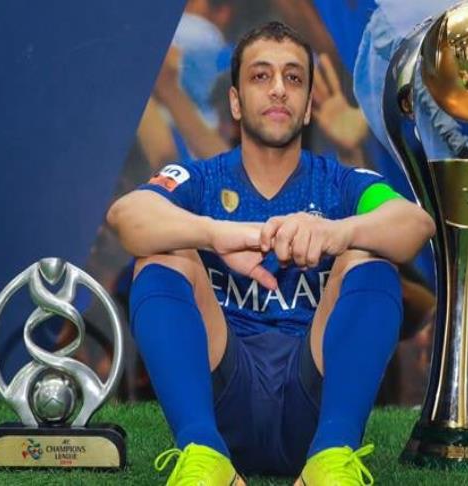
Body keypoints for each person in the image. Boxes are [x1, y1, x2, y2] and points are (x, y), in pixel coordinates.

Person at [106, 21, 434, 485]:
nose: (279, 89)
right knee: (161, 257)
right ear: (236, 102)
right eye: (261, 76)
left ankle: (332, 457)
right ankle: (203, 455)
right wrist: (214, 234)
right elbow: (127, 215)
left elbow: (414, 224)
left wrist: (335, 233)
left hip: (313, 405)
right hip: (225, 404)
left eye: (293, 77)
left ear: (307, 106)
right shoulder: (200, 179)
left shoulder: (343, 183)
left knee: (369, 257)